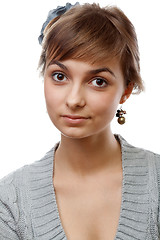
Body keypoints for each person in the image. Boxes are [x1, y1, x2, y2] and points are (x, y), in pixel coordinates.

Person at [0, 2, 160, 239]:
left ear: (127, 90)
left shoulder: (156, 183)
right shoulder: (10, 201)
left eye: (98, 81)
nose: (74, 100)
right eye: (60, 76)